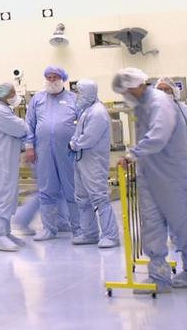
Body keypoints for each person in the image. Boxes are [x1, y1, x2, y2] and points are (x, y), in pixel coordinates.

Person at [112, 68, 187, 289]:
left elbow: (159, 135)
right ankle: (159, 276)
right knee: (152, 224)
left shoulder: (159, 102)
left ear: (135, 85)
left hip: (173, 175)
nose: (125, 95)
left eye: (126, 90)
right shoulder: (143, 105)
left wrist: (133, 154)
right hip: (150, 175)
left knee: (181, 223)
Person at [25, 65, 81, 240]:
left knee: (72, 188)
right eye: (48, 77)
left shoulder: (74, 99)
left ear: (62, 79)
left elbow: (82, 124)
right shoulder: (38, 99)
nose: (51, 80)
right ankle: (49, 229)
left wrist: (78, 143)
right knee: (47, 189)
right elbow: (29, 123)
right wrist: (29, 146)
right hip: (43, 151)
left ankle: (78, 229)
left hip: (68, 151)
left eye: (55, 77)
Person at [67, 79, 119, 248]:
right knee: (82, 198)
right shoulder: (86, 110)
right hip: (82, 160)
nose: (77, 96)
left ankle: (111, 235)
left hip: (94, 161)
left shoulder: (98, 112)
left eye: (80, 92)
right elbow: (78, 133)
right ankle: (89, 233)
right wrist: (74, 142)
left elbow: (89, 138)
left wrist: (74, 144)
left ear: (89, 93)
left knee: (99, 197)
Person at [0, 81, 30, 252]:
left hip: (6, 158)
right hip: (0, 161)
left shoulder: (2, 109)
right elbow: (21, 128)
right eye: (13, 94)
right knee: (2, 195)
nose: (15, 97)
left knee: (9, 194)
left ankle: (6, 232)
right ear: (6, 96)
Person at [155, 77, 187, 178]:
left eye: (167, 89)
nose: (163, 93)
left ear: (174, 92)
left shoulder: (184, 111)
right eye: (160, 90)